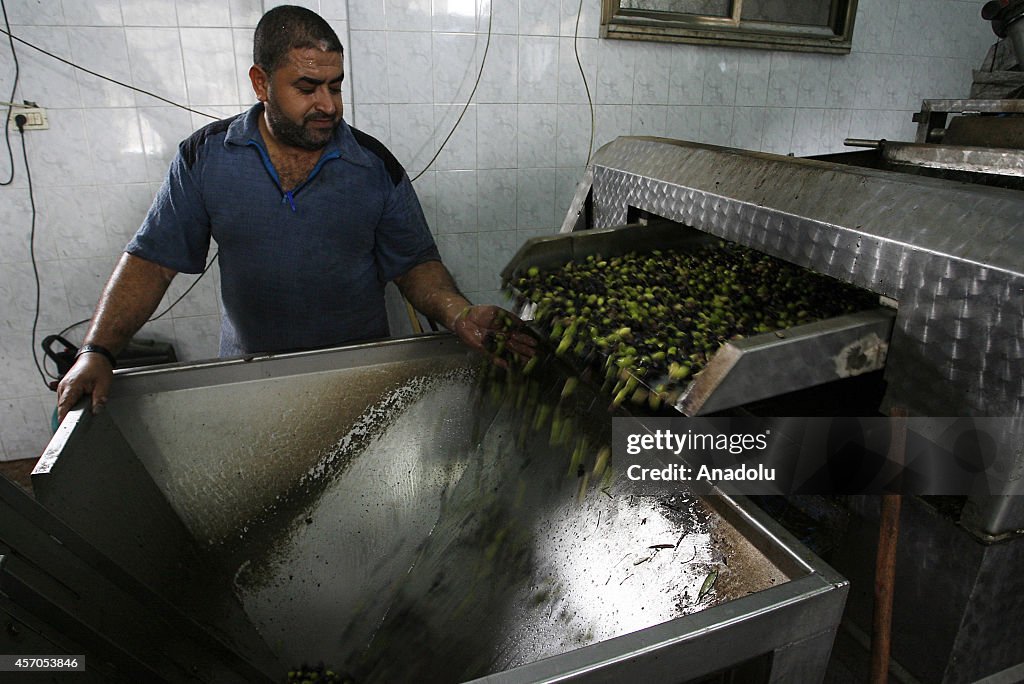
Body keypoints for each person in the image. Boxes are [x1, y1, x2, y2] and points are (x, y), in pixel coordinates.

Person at [56, 5, 532, 422]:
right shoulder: (206, 158)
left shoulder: (372, 166)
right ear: (261, 82)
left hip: (358, 376)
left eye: (335, 86)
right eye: (307, 87)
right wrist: (97, 350)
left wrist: (458, 312)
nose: (328, 105)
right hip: (253, 377)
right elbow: (152, 263)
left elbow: (414, 264)